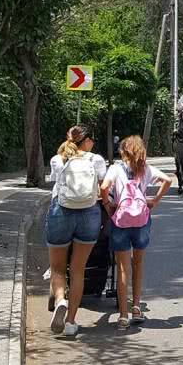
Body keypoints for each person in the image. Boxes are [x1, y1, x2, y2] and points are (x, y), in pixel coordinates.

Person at [100, 136, 171, 330]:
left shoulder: (115, 168)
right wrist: (154, 201)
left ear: (123, 151)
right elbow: (167, 179)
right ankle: (137, 307)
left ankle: (123, 316)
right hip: (141, 221)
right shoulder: (146, 169)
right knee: (138, 263)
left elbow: (104, 187)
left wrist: (108, 206)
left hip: (121, 220)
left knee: (123, 269)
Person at [45, 125, 107, 336]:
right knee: (78, 269)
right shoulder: (96, 159)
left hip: (61, 211)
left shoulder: (58, 158)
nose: (94, 143)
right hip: (89, 213)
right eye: (92, 139)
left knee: (58, 268)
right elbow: (102, 187)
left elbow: (55, 182)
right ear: (86, 140)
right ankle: (71, 322)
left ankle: (61, 299)